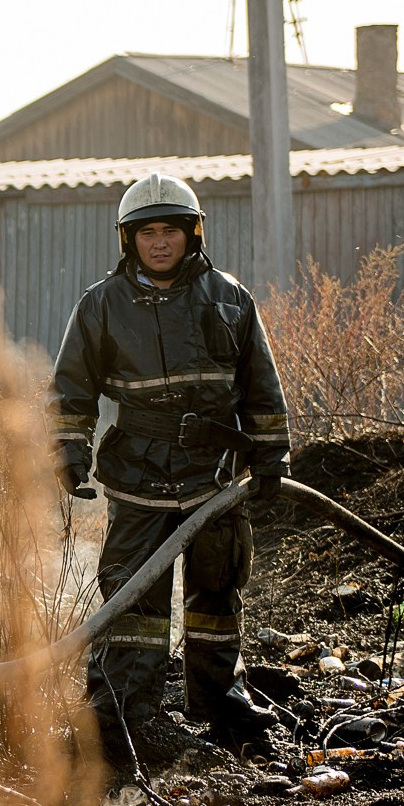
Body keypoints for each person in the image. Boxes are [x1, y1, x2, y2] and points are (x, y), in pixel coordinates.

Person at [50, 172, 290, 763]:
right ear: (128, 239)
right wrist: (69, 453)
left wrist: (270, 457)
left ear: (192, 234)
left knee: (217, 593)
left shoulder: (230, 298)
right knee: (133, 601)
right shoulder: (101, 305)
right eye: (147, 232)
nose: (160, 243)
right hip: (139, 474)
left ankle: (220, 707)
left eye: (171, 231)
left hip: (215, 478)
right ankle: (125, 721)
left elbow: (260, 385)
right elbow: (71, 391)